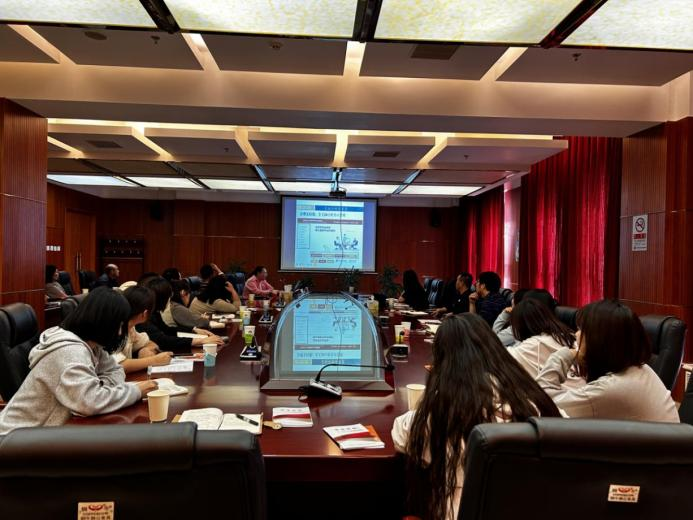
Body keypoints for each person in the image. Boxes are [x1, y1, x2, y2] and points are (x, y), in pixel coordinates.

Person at [392, 314, 561, 519]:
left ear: (443, 360)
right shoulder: (530, 398)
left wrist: (433, 395)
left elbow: (400, 434)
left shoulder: (446, 407)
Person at [0, 287, 157, 434]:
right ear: (104, 322)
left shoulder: (92, 346)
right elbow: (90, 402)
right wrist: (136, 391)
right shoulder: (70, 352)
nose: (120, 332)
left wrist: (103, 387)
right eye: (119, 325)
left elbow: (115, 369)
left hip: (44, 434)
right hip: (15, 439)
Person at [536, 299, 679, 422]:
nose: (576, 334)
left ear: (599, 340)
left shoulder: (612, 389)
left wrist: (565, 355)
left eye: (581, 329)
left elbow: (541, 404)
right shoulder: (641, 369)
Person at [136, 277, 223, 353]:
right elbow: (162, 340)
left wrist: (193, 330)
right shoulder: (144, 316)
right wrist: (199, 341)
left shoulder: (154, 312)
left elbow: (167, 329)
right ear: (162, 299)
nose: (169, 300)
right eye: (168, 297)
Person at [507, 299, 581, 387]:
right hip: (583, 389)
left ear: (519, 326)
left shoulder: (528, 347)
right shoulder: (568, 336)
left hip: (559, 393)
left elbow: (501, 356)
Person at [114, 286, 173, 373]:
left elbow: (149, 343)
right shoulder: (113, 328)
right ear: (145, 314)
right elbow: (119, 365)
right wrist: (155, 360)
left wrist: (145, 349)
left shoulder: (131, 327)